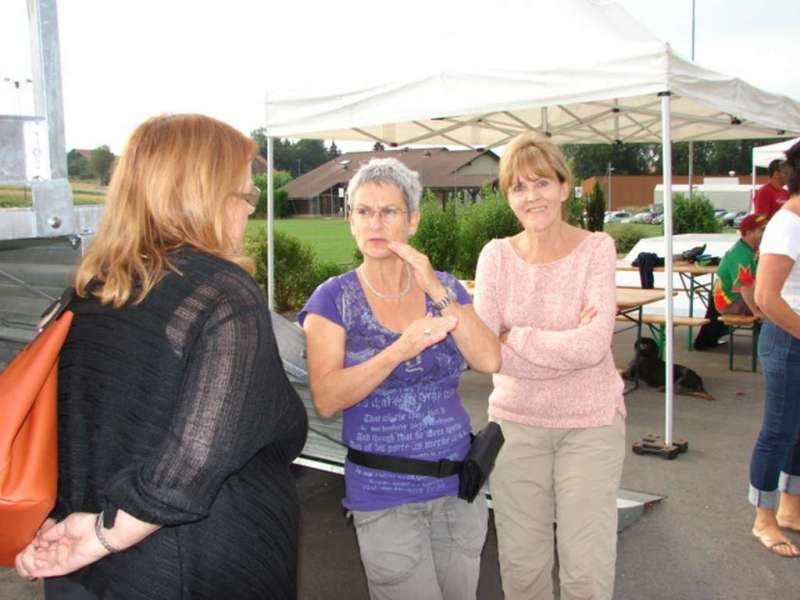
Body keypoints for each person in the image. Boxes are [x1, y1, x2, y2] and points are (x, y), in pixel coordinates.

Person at [14, 114, 308, 598]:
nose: (249, 211)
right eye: (245, 195)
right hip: (188, 567)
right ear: (203, 197)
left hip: (81, 566)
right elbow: (193, 460)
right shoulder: (219, 293)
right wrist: (105, 534)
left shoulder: (87, 292)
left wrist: (73, 532)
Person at [300, 158, 500, 600]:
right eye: (363, 211)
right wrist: (399, 350)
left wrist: (434, 288)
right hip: (385, 496)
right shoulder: (333, 299)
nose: (376, 222)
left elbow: (488, 358)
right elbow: (328, 398)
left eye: (389, 211)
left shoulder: (443, 287)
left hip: (458, 488)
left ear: (413, 220)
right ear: (350, 220)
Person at [474, 132, 625, 600]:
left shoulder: (597, 249)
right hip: (516, 426)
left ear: (564, 187)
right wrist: (552, 344)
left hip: (590, 425)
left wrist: (515, 336)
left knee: (586, 568)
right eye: (518, 187)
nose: (531, 196)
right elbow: (485, 353)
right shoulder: (495, 256)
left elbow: (593, 347)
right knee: (522, 566)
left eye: (541, 183)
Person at [749, 140, 800, 557]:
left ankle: (789, 508)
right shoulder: (787, 223)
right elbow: (767, 297)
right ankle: (763, 517)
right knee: (779, 432)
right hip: (788, 339)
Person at [713, 213, 767, 317]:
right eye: (762, 230)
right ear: (749, 233)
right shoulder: (741, 254)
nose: (766, 233)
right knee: (776, 306)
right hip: (730, 302)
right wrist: (756, 312)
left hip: (738, 297)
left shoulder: (749, 249)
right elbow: (745, 287)